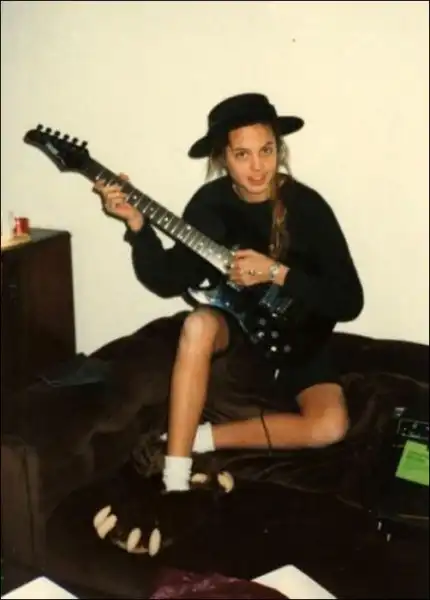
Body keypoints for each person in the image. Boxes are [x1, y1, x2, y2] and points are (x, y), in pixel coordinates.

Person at [92, 92, 364, 556]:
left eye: (267, 150)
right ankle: (175, 479)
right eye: (242, 154)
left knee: (331, 426)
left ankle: (193, 439)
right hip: (237, 339)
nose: (257, 167)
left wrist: (276, 271)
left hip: (303, 339)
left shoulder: (307, 206)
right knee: (197, 324)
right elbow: (167, 280)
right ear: (222, 158)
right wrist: (137, 226)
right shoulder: (210, 204)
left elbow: (349, 300)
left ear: (279, 148)